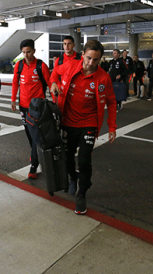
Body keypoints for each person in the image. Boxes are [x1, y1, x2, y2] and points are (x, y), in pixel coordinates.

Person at [50, 40, 117, 215]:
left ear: (100, 59)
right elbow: (54, 74)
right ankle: (74, 177)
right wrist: (54, 84)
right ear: (83, 55)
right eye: (88, 58)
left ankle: (82, 194)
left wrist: (112, 126)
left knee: (85, 160)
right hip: (68, 122)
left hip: (88, 124)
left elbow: (111, 102)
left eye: (95, 60)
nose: (90, 63)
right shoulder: (70, 65)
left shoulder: (103, 77)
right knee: (68, 159)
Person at [11, 39, 51, 179]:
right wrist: (13, 100)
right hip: (23, 105)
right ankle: (35, 153)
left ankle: (34, 165)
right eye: (23, 52)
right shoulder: (19, 65)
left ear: (33, 51)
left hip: (37, 108)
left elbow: (50, 83)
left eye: (28, 52)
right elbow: (15, 83)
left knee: (35, 135)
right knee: (29, 134)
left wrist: (56, 101)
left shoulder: (41, 66)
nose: (26, 55)